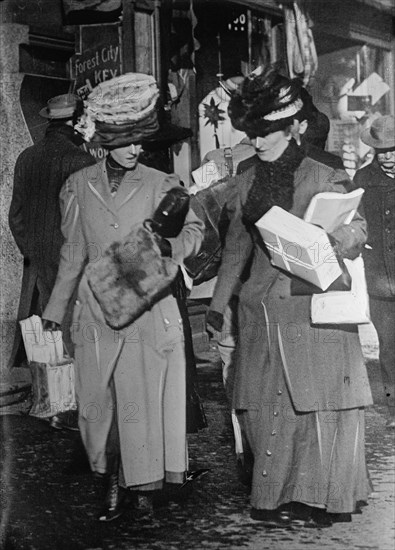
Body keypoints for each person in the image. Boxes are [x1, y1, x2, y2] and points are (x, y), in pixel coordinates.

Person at [207, 65, 373, 527]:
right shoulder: (244, 178)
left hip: (312, 306)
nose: (258, 143)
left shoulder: (324, 173)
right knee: (264, 405)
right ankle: (277, 494)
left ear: (293, 128)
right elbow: (236, 248)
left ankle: (326, 498)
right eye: (253, 134)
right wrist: (219, 306)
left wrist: (335, 238)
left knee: (320, 404)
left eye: (268, 133)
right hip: (261, 307)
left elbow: (356, 226)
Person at [41, 73, 204, 522]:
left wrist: (169, 248)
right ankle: (110, 482)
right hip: (96, 312)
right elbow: (72, 252)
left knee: (142, 405)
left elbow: (194, 230)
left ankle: (141, 492)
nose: (136, 149)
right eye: (125, 141)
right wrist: (55, 310)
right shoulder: (77, 186)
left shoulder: (161, 182)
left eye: (140, 141)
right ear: (104, 141)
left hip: (150, 312)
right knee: (100, 408)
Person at [8, 93, 97, 430]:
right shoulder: (82, 162)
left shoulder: (26, 158)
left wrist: (33, 251)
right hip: (76, 265)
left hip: (40, 264)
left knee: (49, 333)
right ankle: (78, 410)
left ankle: (56, 405)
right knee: (79, 334)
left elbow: (15, 216)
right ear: (76, 123)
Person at [354, 115, 395, 429]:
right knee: (388, 345)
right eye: (382, 150)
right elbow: (354, 221)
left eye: (393, 149)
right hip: (379, 278)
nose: (389, 155)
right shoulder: (363, 178)